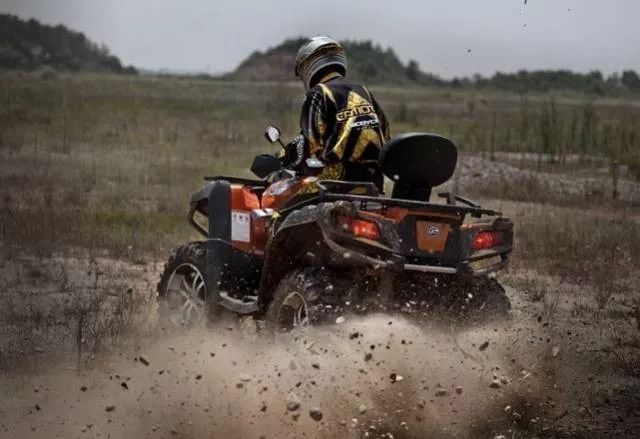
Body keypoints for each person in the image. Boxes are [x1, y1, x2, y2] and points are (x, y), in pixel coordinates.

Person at [282, 36, 390, 190]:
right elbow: (385, 133)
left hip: (336, 182)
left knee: (284, 207)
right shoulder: (362, 90)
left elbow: (310, 145)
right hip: (373, 181)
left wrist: (293, 161)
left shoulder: (318, 93)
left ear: (307, 65)